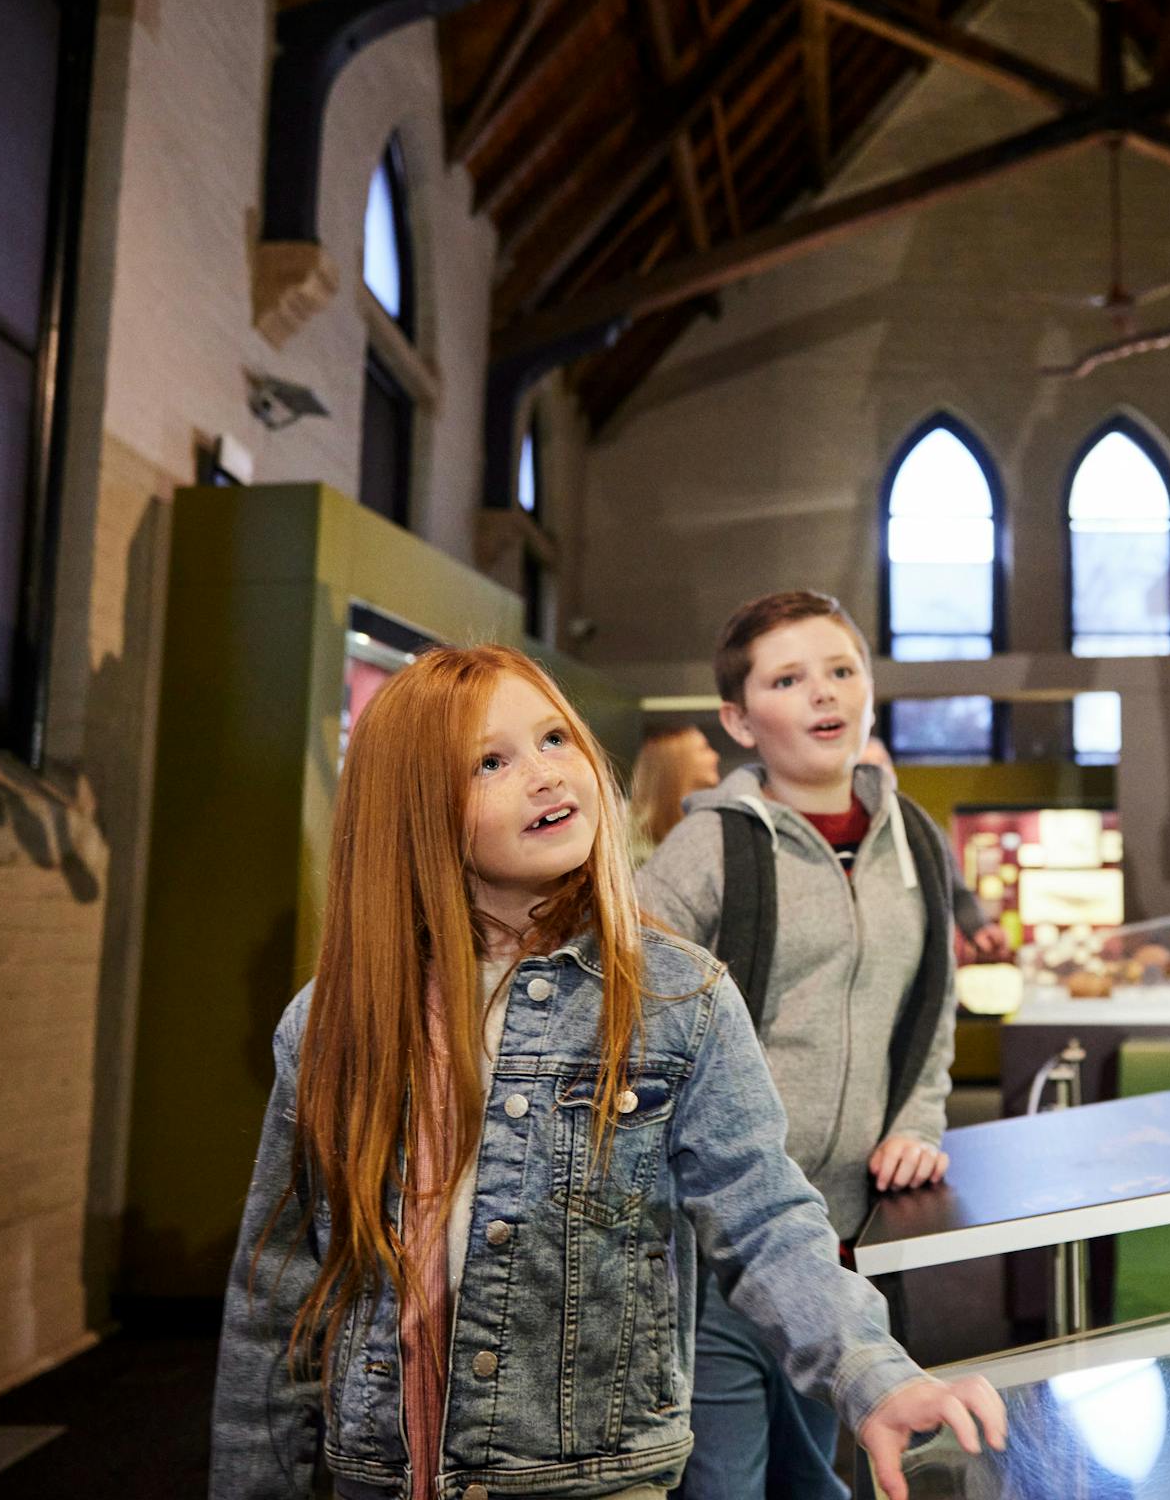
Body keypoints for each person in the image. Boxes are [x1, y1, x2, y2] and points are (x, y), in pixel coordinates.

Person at [210, 643, 1003, 1500]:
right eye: (491, 761)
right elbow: (282, 1295)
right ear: (413, 809)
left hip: (594, 1475)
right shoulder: (333, 1021)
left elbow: (766, 1215)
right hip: (385, 1474)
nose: (547, 775)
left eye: (556, 739)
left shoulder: (678, 1000)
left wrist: (872, 1373)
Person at [638, 592, 962, 1500]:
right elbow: (629, 1011)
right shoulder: (707, 850)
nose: (824, 694)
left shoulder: (919, 844)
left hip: (839, 1245)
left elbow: (932, 1006)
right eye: (788, 679)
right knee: (725, 1485)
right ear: (741, 719)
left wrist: (919, 1118)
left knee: (814, 1474)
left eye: (841, 670)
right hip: (715, 1243)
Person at [858, 736, 1012, 964]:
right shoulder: (838, 836)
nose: (878, 774)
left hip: (921, 966)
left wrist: (979, 928)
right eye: (865, 767)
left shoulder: (922, 831)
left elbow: (955, 891)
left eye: (883, 764)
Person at [626, 724, 721, 867]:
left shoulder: (708, 819)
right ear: (678, 762)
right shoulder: (639, 850)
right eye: (704, 749)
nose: (715, 756)